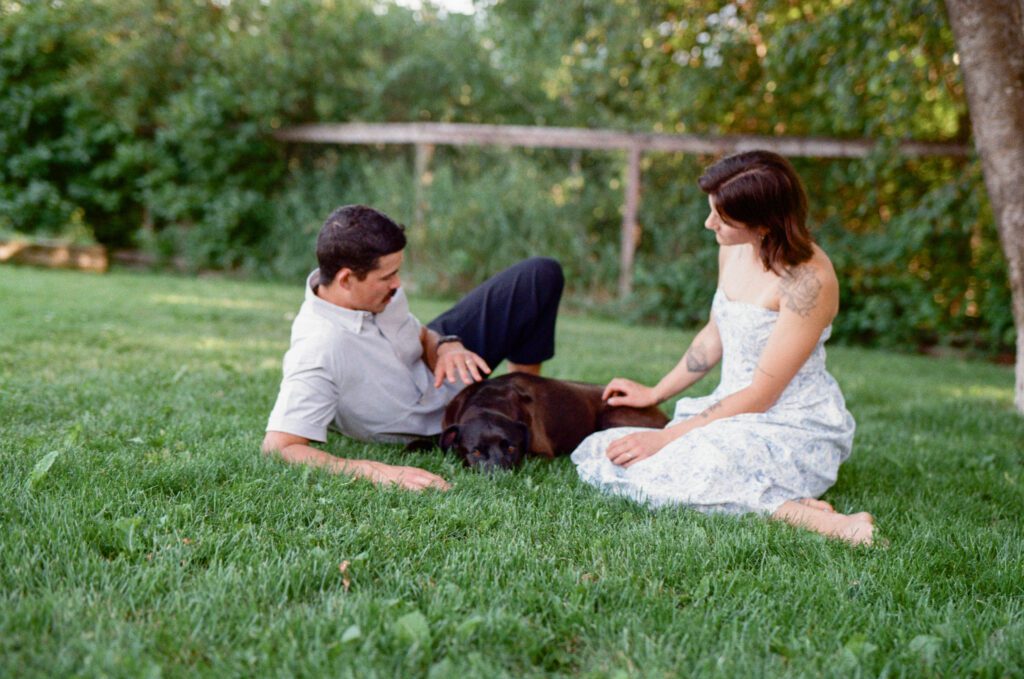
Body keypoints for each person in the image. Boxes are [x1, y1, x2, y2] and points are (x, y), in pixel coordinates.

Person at [570, 151, 874, 545]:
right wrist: (656, 392)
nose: (709, 223)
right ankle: (790, 499)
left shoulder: (807, 282)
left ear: (764, 225)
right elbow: (715, 334)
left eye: (723, 218)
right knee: (611, 454)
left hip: (789, 423)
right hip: (730, 410)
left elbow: (761, 395)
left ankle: (828, 524)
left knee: (674, 462)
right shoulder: (732, 247)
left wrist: (666, 436)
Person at [262, 204, 564, 492]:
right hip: (432, 415)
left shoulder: (378, 294)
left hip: (442, 367)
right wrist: (377, 471)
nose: (398, 283)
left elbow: (420, 334)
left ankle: (526, 400)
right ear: (346, 279)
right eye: (387, 276)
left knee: (540, 274)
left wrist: (444, 346)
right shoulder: (319, 348)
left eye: (397, 272)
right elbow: (279, 447)